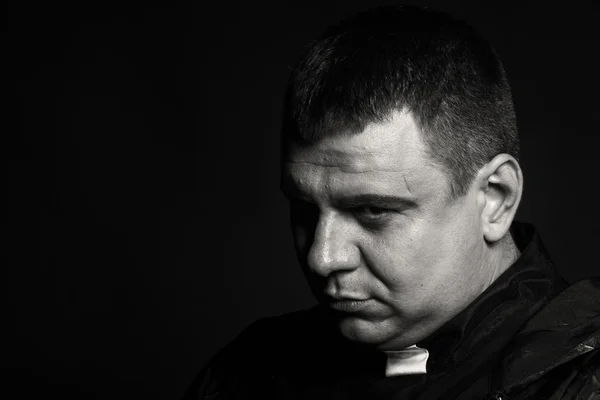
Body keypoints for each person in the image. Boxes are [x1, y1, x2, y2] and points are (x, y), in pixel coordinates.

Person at [183, 5, 600, 399]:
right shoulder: (246, 373)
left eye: (373, 211)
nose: (322, 257)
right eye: (304, 208)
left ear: (496, 198)